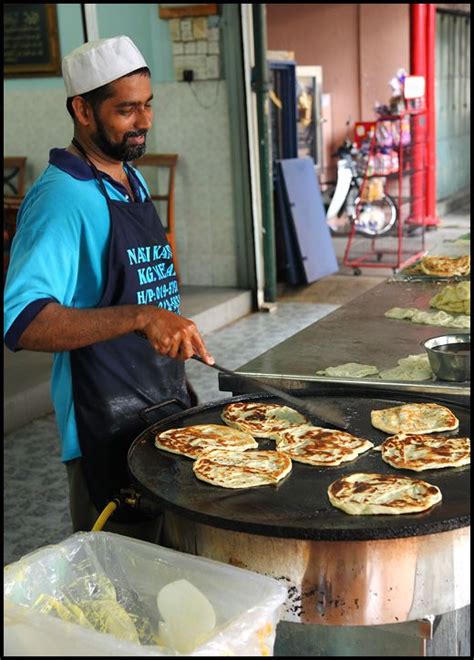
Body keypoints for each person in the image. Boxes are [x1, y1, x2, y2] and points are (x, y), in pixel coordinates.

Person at [3, 35, 214, 542]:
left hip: (160, 405)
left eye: (147, 106)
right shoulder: (61, 198)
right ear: (83, 110)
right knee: (125, 589)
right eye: (125, 110)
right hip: (103, 424)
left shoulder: (128, 179)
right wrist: (140, 317)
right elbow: (21, 320)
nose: (143, 122)